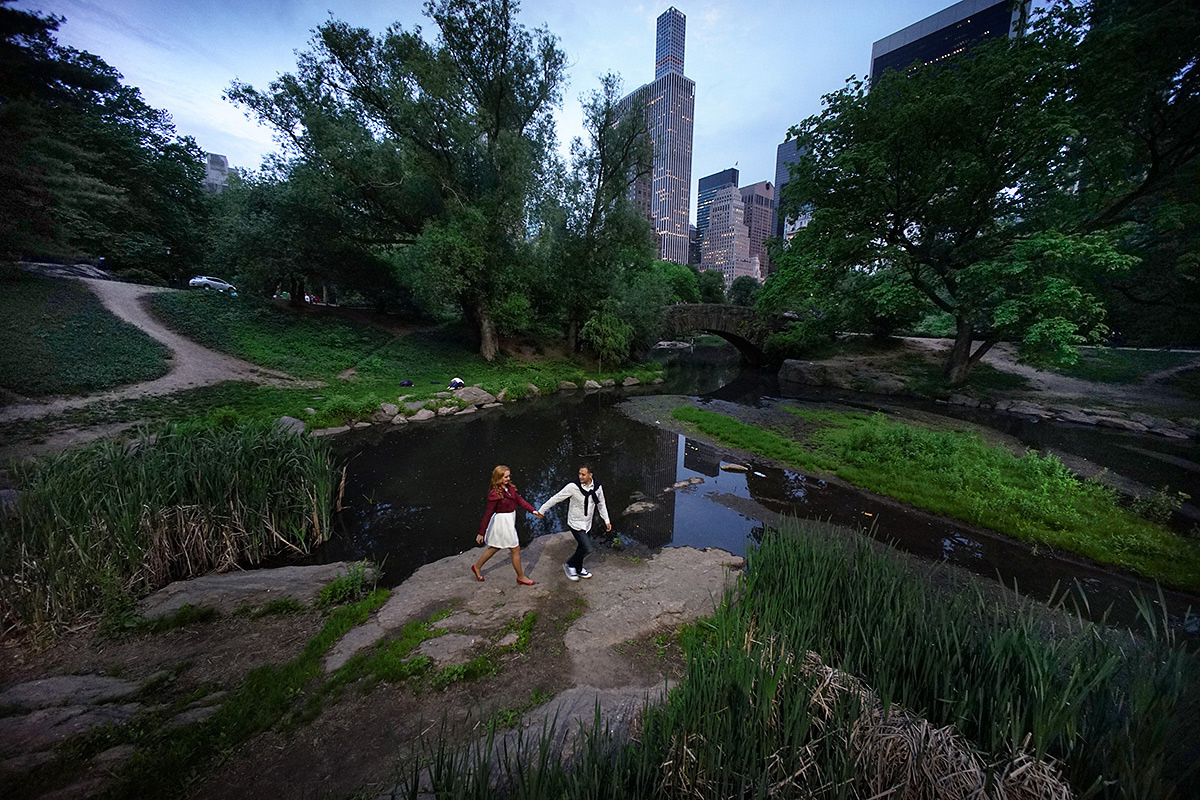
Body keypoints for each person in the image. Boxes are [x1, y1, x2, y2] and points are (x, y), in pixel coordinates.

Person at [538, 464, 611, 581]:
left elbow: (601, 504)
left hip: (587, 523)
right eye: (579, 474)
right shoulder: (573, 487)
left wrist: (606, 520)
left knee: (582, 546)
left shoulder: (597, 487)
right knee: (588, 548)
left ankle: (578, 568)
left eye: (583, 474)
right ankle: (570, 564)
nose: (580, 476)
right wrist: (542, 510)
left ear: (590, 475)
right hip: (575, 523)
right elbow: (556, 498)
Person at [472, 465, 543, 585]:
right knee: (515, 548)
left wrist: (533, 511)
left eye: (509, 476)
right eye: (505, 477)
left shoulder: (510, 489)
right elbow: (488, 514)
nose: (508, 479)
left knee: (495, 547)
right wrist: (481, 532)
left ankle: (477, 566)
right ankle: (521, 577)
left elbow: (520, 501)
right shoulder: (494, 494)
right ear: (498, 478)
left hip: (510, 520)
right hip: (502, 523)